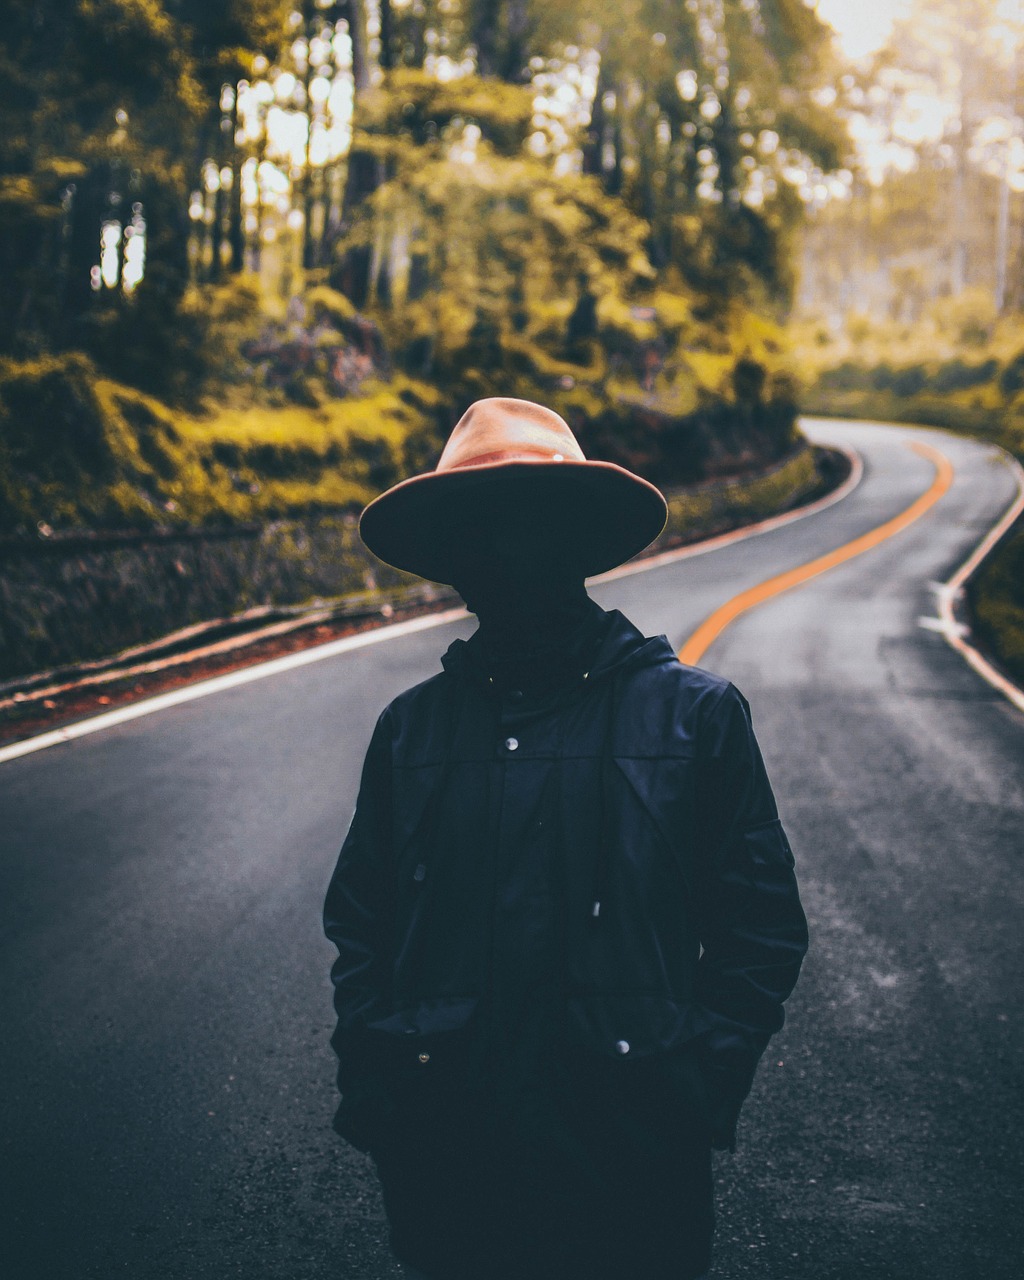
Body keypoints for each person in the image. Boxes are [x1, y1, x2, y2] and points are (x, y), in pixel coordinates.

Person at [323, 397, 809, 1280]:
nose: (501, 554)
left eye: (527, 525)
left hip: (631, 1174)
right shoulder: (412, 733)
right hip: (450, 1173)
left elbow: (761, 931)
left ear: (575, 542)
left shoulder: (695, 719)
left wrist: (693, 1085)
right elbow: (364, 925)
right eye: (476, 531)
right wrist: (385, 1080)